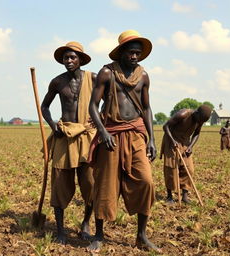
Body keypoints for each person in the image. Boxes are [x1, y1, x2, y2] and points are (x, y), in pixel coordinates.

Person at [87, 30, 161, 253]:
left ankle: (141, 236)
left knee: (146, 181)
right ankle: (99, 235)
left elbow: (147, 108)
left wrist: (152, 139)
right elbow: (93, 106)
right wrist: (103, 132)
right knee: (105, 186)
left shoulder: (144, 76)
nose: (135, 57)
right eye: (131, 52)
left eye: (138, 53)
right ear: (121, 52)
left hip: (136, 134)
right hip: (111, 134)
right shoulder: (107, 73)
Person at [41, 41, 97, 244]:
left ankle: (86, 223)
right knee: (60, 184)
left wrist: (99, 118)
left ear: (81, 59)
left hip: (86, 136)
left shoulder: (94, 78)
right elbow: (44, 106)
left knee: (90, 182)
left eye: (73, 57)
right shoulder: (57, 82)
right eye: (66, 58)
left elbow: (109, 98)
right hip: (64, 136)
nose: (69, 60)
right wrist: (52, 125)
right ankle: (60, 230)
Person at [160, 105, 212, 204]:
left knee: (189, 168)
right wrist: (173, 140)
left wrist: (191, 146)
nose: (200, 122)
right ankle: (169, 196)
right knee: (171, 169)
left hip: (185, 143)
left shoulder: (200, 120)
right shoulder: (183, 114)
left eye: (202, 122)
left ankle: (184, 196)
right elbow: (165, 126)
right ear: (196, 113)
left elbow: (196, 133)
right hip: (171, 140)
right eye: (200, 120)